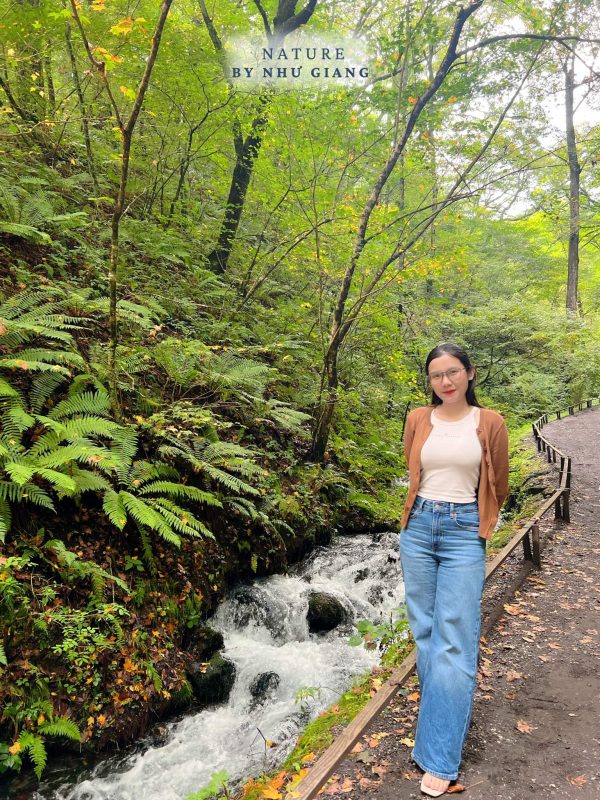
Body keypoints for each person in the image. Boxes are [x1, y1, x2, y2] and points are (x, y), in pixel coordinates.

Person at [399, 342, 509, 797]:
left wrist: (482, 524)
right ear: (429, 381)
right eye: (436, 375)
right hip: (418, 527)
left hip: (464, 531)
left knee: (455, 639)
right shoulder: (417, 418)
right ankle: (439, 719)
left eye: (453, 372)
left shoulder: (490, 422)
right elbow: (413, 468)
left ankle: (440, 755)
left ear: (469, 373)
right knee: (425, 632)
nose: (445, 381)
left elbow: (498, 481)